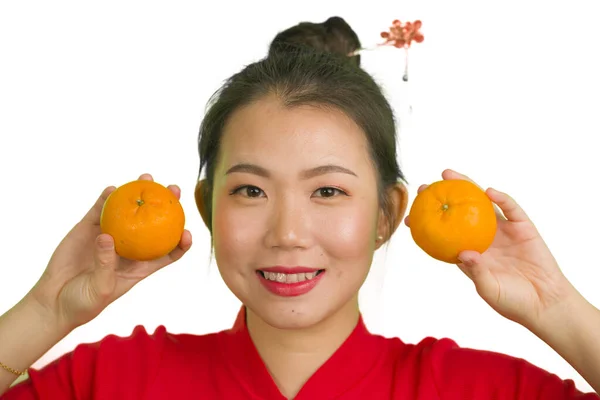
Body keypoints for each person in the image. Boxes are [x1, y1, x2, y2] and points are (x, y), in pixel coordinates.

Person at [1, 17, 599, 400]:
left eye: (328, 191)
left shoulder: (481, 392)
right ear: (208, 208)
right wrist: (46, 308)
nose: (287, 233)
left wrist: (560, 308)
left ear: (388, 214)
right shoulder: (112, 384)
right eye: (251, 191)